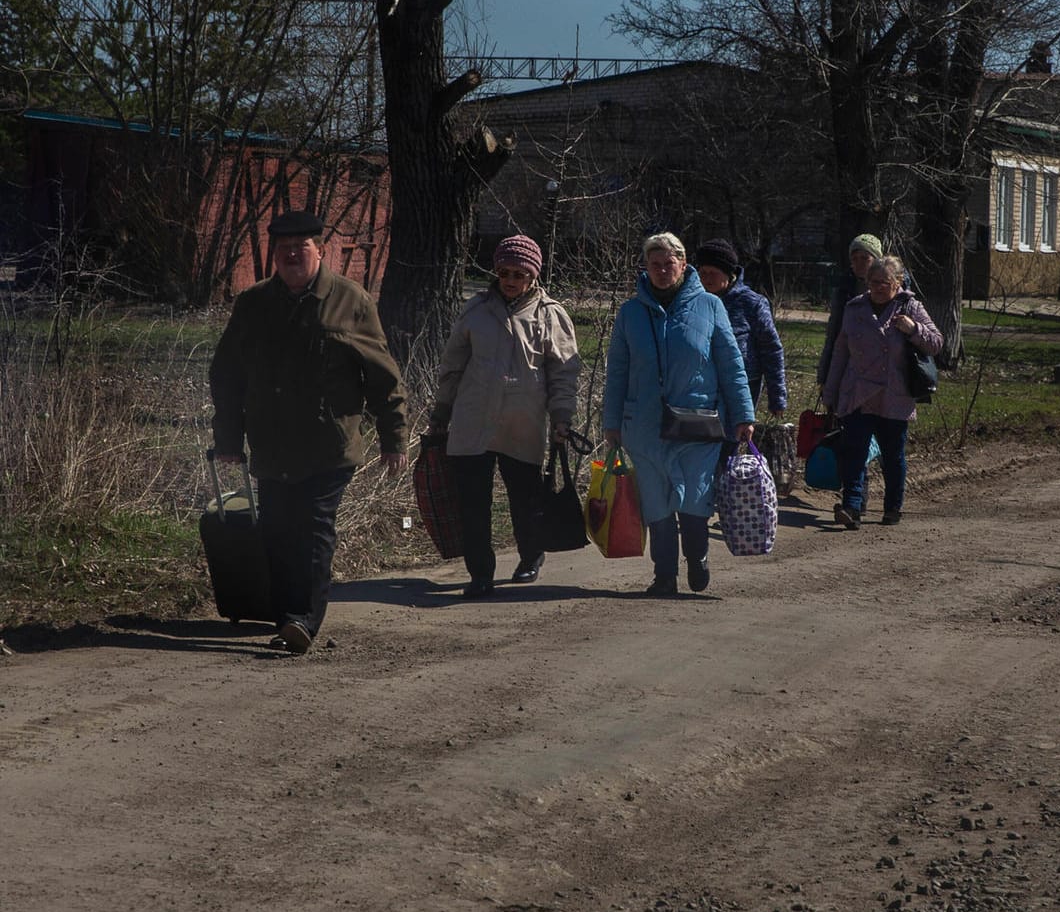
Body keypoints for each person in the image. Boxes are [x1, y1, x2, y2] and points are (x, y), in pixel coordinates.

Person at [210, 209, 407, 655]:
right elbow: (226, 374)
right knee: (277, 529)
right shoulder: (254, 304)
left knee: (314, 529)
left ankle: (303, 620)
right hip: (272, 444)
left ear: (320, 250)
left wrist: (394, 439)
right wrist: (227, 438)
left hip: (328, 445)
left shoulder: (350, 301)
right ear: (273, 256)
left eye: (301, 248)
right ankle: (286, 615)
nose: (292, 256)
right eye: (283, 250)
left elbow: (383, 377)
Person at [602, 233, 755, 597]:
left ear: (683, 265)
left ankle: (697, 557)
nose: (661, 270)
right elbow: (618, 370)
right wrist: (611, 422)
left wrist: (743, 414)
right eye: (654, 264)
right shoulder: (631, 313)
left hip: (697, 421)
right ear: (646, 268)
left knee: (694, 497)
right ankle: (664, 575)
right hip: (644, 424)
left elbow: (732, 365)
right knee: (655, 501)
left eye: (668, 263)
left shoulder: (710, 307)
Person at [430, 234, 580, 599]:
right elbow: (452, 366)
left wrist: (562, 417)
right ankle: (480, 572)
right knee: (472, 504)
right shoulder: (476, 311)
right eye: (504, 272)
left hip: (522, 423)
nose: (511, 280)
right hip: (472, 421)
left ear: (533, 276)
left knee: (525, 499)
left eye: (520, 273)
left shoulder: (550, 314)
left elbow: (563, 372)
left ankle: (530, 555)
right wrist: (441, 414)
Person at [822, 255, 943, 528]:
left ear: (898, 282)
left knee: (893, 456)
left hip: (894, 395)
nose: (877, 288)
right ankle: (852, 508)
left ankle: (892, 508)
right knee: (854, 453)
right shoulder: (855, 309)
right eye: (872, 282)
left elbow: (936, 343)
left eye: (884, 283)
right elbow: (840, 353)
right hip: (858, 393)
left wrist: (914, 329)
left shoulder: (910, 307)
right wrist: (830, 394)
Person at [694, 239, 788, 418]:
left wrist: (777, 397)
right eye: (703, 273)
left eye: (713, 273)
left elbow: (771, 351)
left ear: (728, 274)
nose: (706, 279)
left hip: (740, 391)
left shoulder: (752, 303)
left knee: (729, 443)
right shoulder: (694, 301)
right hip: (701, 391)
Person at [818, 233, 885, 387]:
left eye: (865, 258)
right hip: (850, 371)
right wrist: (824, 377)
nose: (859, 263)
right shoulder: (844, 291)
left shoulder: (895, 291)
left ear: (877, 261)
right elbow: (834, 335)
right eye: (855, 259)